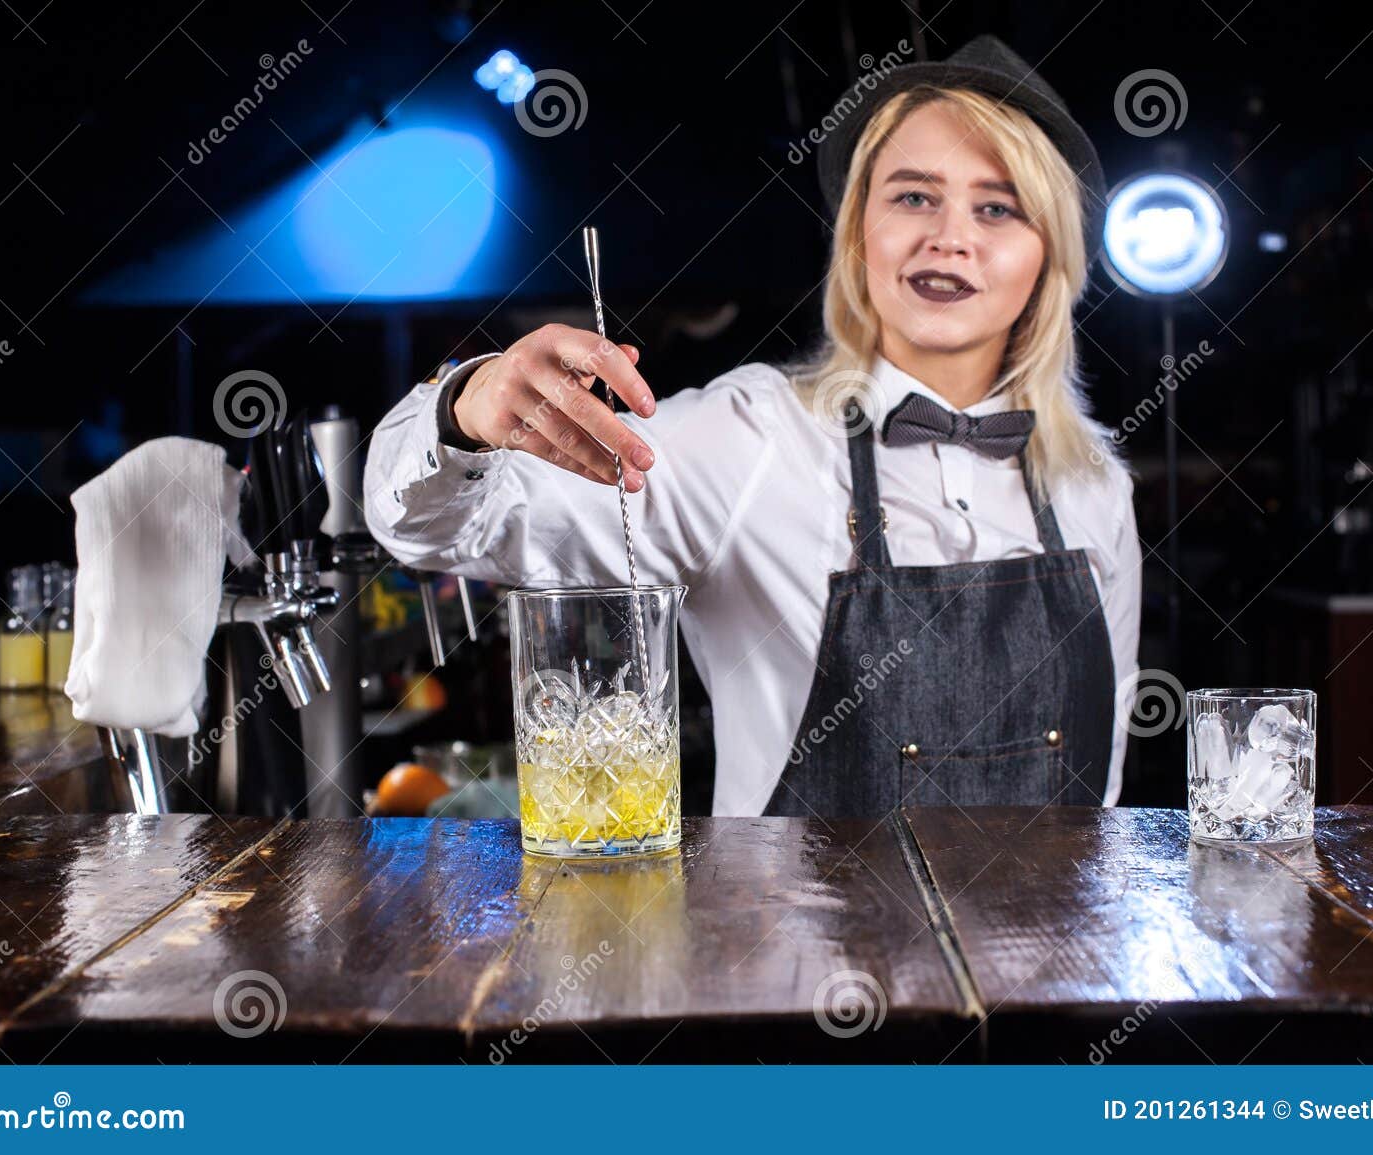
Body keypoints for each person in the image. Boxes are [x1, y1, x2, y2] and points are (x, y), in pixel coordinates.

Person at [365, 34, 1141, 818]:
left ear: (1049, 252)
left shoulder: (1095, 486)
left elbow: (1098, 798)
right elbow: (444, 533)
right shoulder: (748, 439)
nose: (951, 235)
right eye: (912, 196)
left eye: (998, 207)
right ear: (857, 234)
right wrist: (466, 407)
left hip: (1047, 944)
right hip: (794, 942)